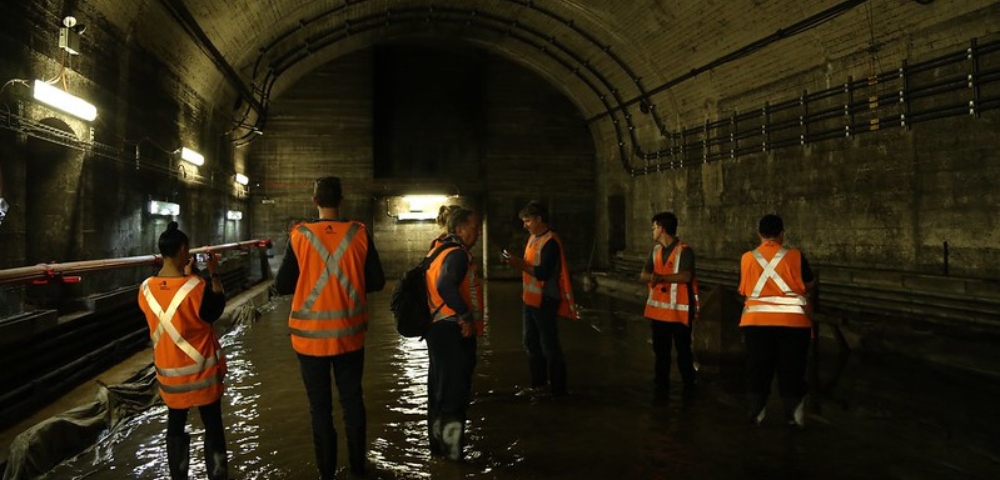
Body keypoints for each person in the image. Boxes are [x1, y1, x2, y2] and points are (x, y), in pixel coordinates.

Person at [274, 176, 385, 478]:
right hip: (350, 337)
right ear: (341, 200)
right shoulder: (359, 234)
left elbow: (282, 284)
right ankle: (358, 470)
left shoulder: (299, 235)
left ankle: (326, 473)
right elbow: (376, 282)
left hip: (309, 342)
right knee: (352, 403)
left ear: (315, 202)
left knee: (319, 408)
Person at [137, 221, 228, 480]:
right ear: (183, 249)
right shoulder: (197, 287)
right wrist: (213, 274)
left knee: (175, 427)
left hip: (170, 378)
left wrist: (186, 275)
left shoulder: (144, 290)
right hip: (202, 376)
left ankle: (179, 476)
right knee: (213, 427)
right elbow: (215, 309)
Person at [738, 214, 816, 427]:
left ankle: (757, 414)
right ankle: (794, 417)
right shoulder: (796, 256)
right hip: (793, 325)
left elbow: (745, 289)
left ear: (759, 234)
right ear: (782, 234)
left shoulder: (747, 258)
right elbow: (808, 284)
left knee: (758, 369)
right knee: (792, 369)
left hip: (755, 324)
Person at [424, 208, 484, 461]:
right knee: (454, 396)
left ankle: (438, 450)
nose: (478, 232)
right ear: (459, 230)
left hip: (437, 329)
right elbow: (445, 286)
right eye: (474, 227)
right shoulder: (457, 255)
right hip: (453, 331)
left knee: (439, 392)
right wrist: (465, 316)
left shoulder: (437, 250)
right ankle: (453, 456)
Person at [502, 201, 578, 396]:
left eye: (527, 221)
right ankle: (539, 385)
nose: (524, 225)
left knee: (549, 344)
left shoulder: (550, 242)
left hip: (545, 299)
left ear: (539, 219)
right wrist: (516, 261)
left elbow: (543, 273)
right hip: (531, 299)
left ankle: (558, 389)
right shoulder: (534, 238)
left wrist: (518, 263)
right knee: (530, 341)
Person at [640, 212, 699, 391]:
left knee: (683, 351)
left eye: (654, 228)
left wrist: (661, 278)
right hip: (659, 312)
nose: (652, 231)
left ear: (662, 229)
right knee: (661, 352)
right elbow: (644, 275)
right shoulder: (655, 251)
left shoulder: (684, 251)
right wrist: (658, 277)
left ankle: (689, 384)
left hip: (679, 311)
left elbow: (686, 276)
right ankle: (661, 384)